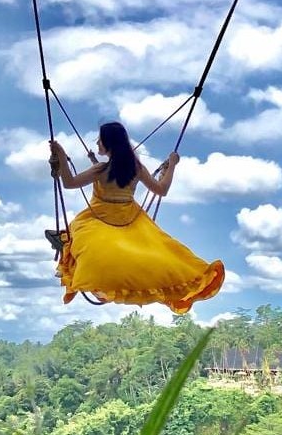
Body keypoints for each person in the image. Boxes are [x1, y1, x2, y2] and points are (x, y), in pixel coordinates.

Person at [49, 121, 225, 313]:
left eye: (100, 139)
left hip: (98, 218)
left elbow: (69, 183)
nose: (97, 142)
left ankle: (89, 272)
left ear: (109, 144)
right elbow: (161, 189)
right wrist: (172, 165)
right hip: (130, 219)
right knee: (155, 253)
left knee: (88, 250)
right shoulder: (135, 169)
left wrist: (60, 155)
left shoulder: (100, 170)